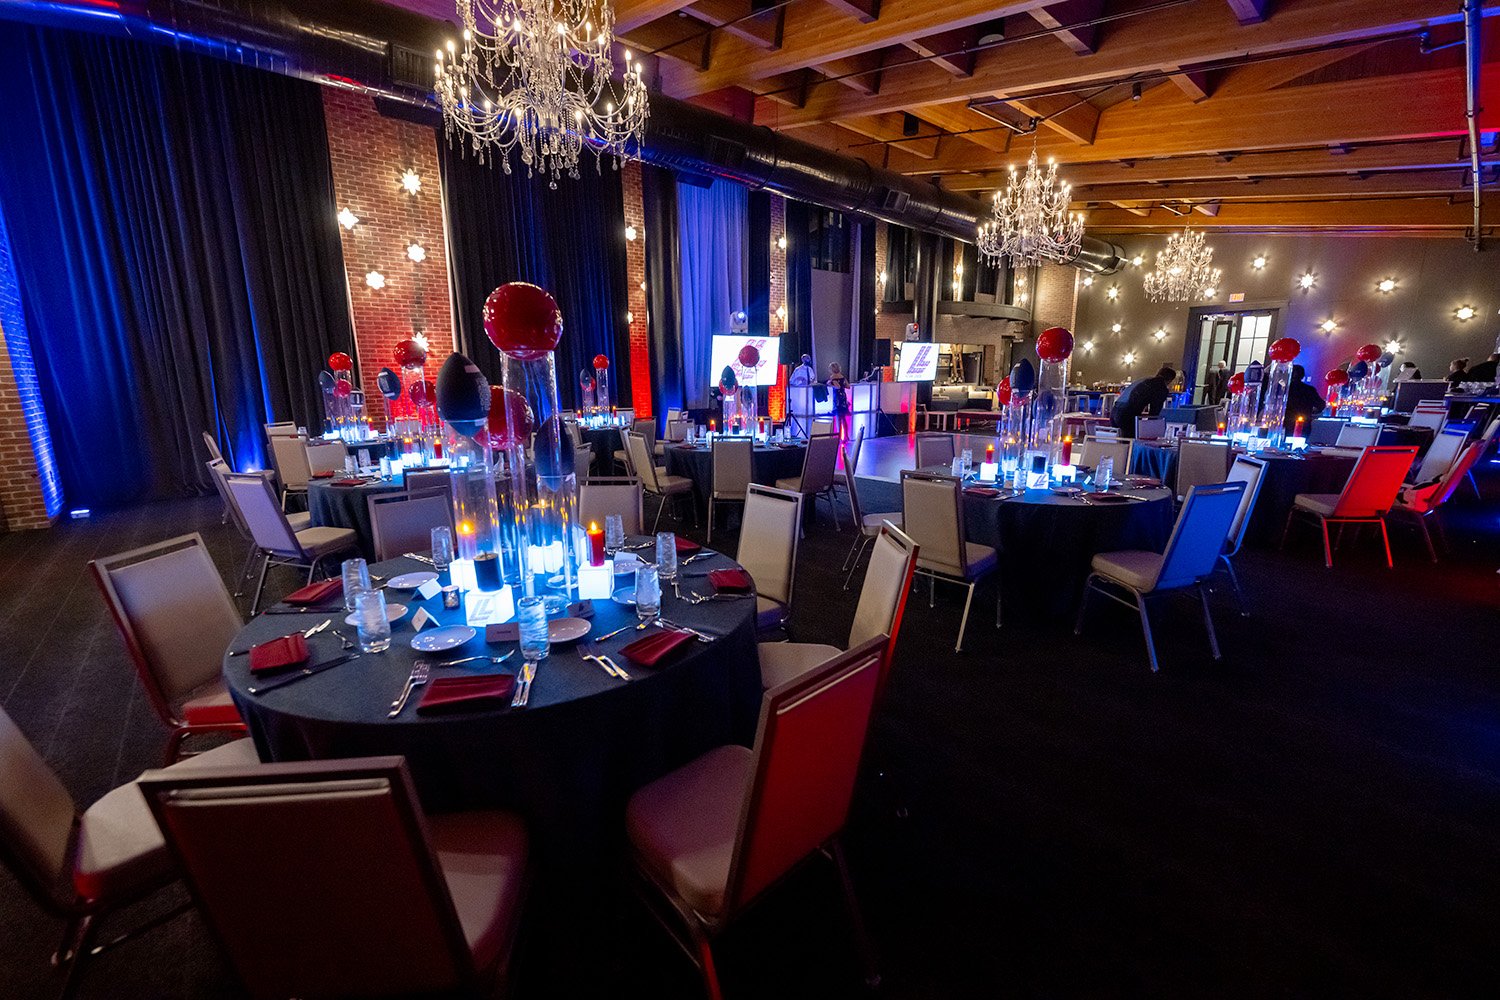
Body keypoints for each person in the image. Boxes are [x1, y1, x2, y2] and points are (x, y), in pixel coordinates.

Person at [1113, 365, 1176, 431]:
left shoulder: (1144, 379)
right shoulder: (1161, 387)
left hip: (1114, 411)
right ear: (1170, 380)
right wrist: (1150, 430)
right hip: (1127, 415)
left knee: (1118, 439)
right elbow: (1154, 412)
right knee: (1132, 440)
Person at [1282, 364, 1326, 434]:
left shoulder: (1283, 389)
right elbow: (1321, 405)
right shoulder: (1309, 390)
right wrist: (1312, 412)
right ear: (1302, 376)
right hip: (1304, 424)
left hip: (1284, 423)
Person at [826, 362, 851, 438]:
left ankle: (839, 436)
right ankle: (846, 436)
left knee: (838, 418)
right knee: (843, 418)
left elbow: (838, 387)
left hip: (837, 398)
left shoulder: (833, 377)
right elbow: (848, 386)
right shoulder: (842, 376)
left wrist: (830, 384)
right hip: (843, 397)